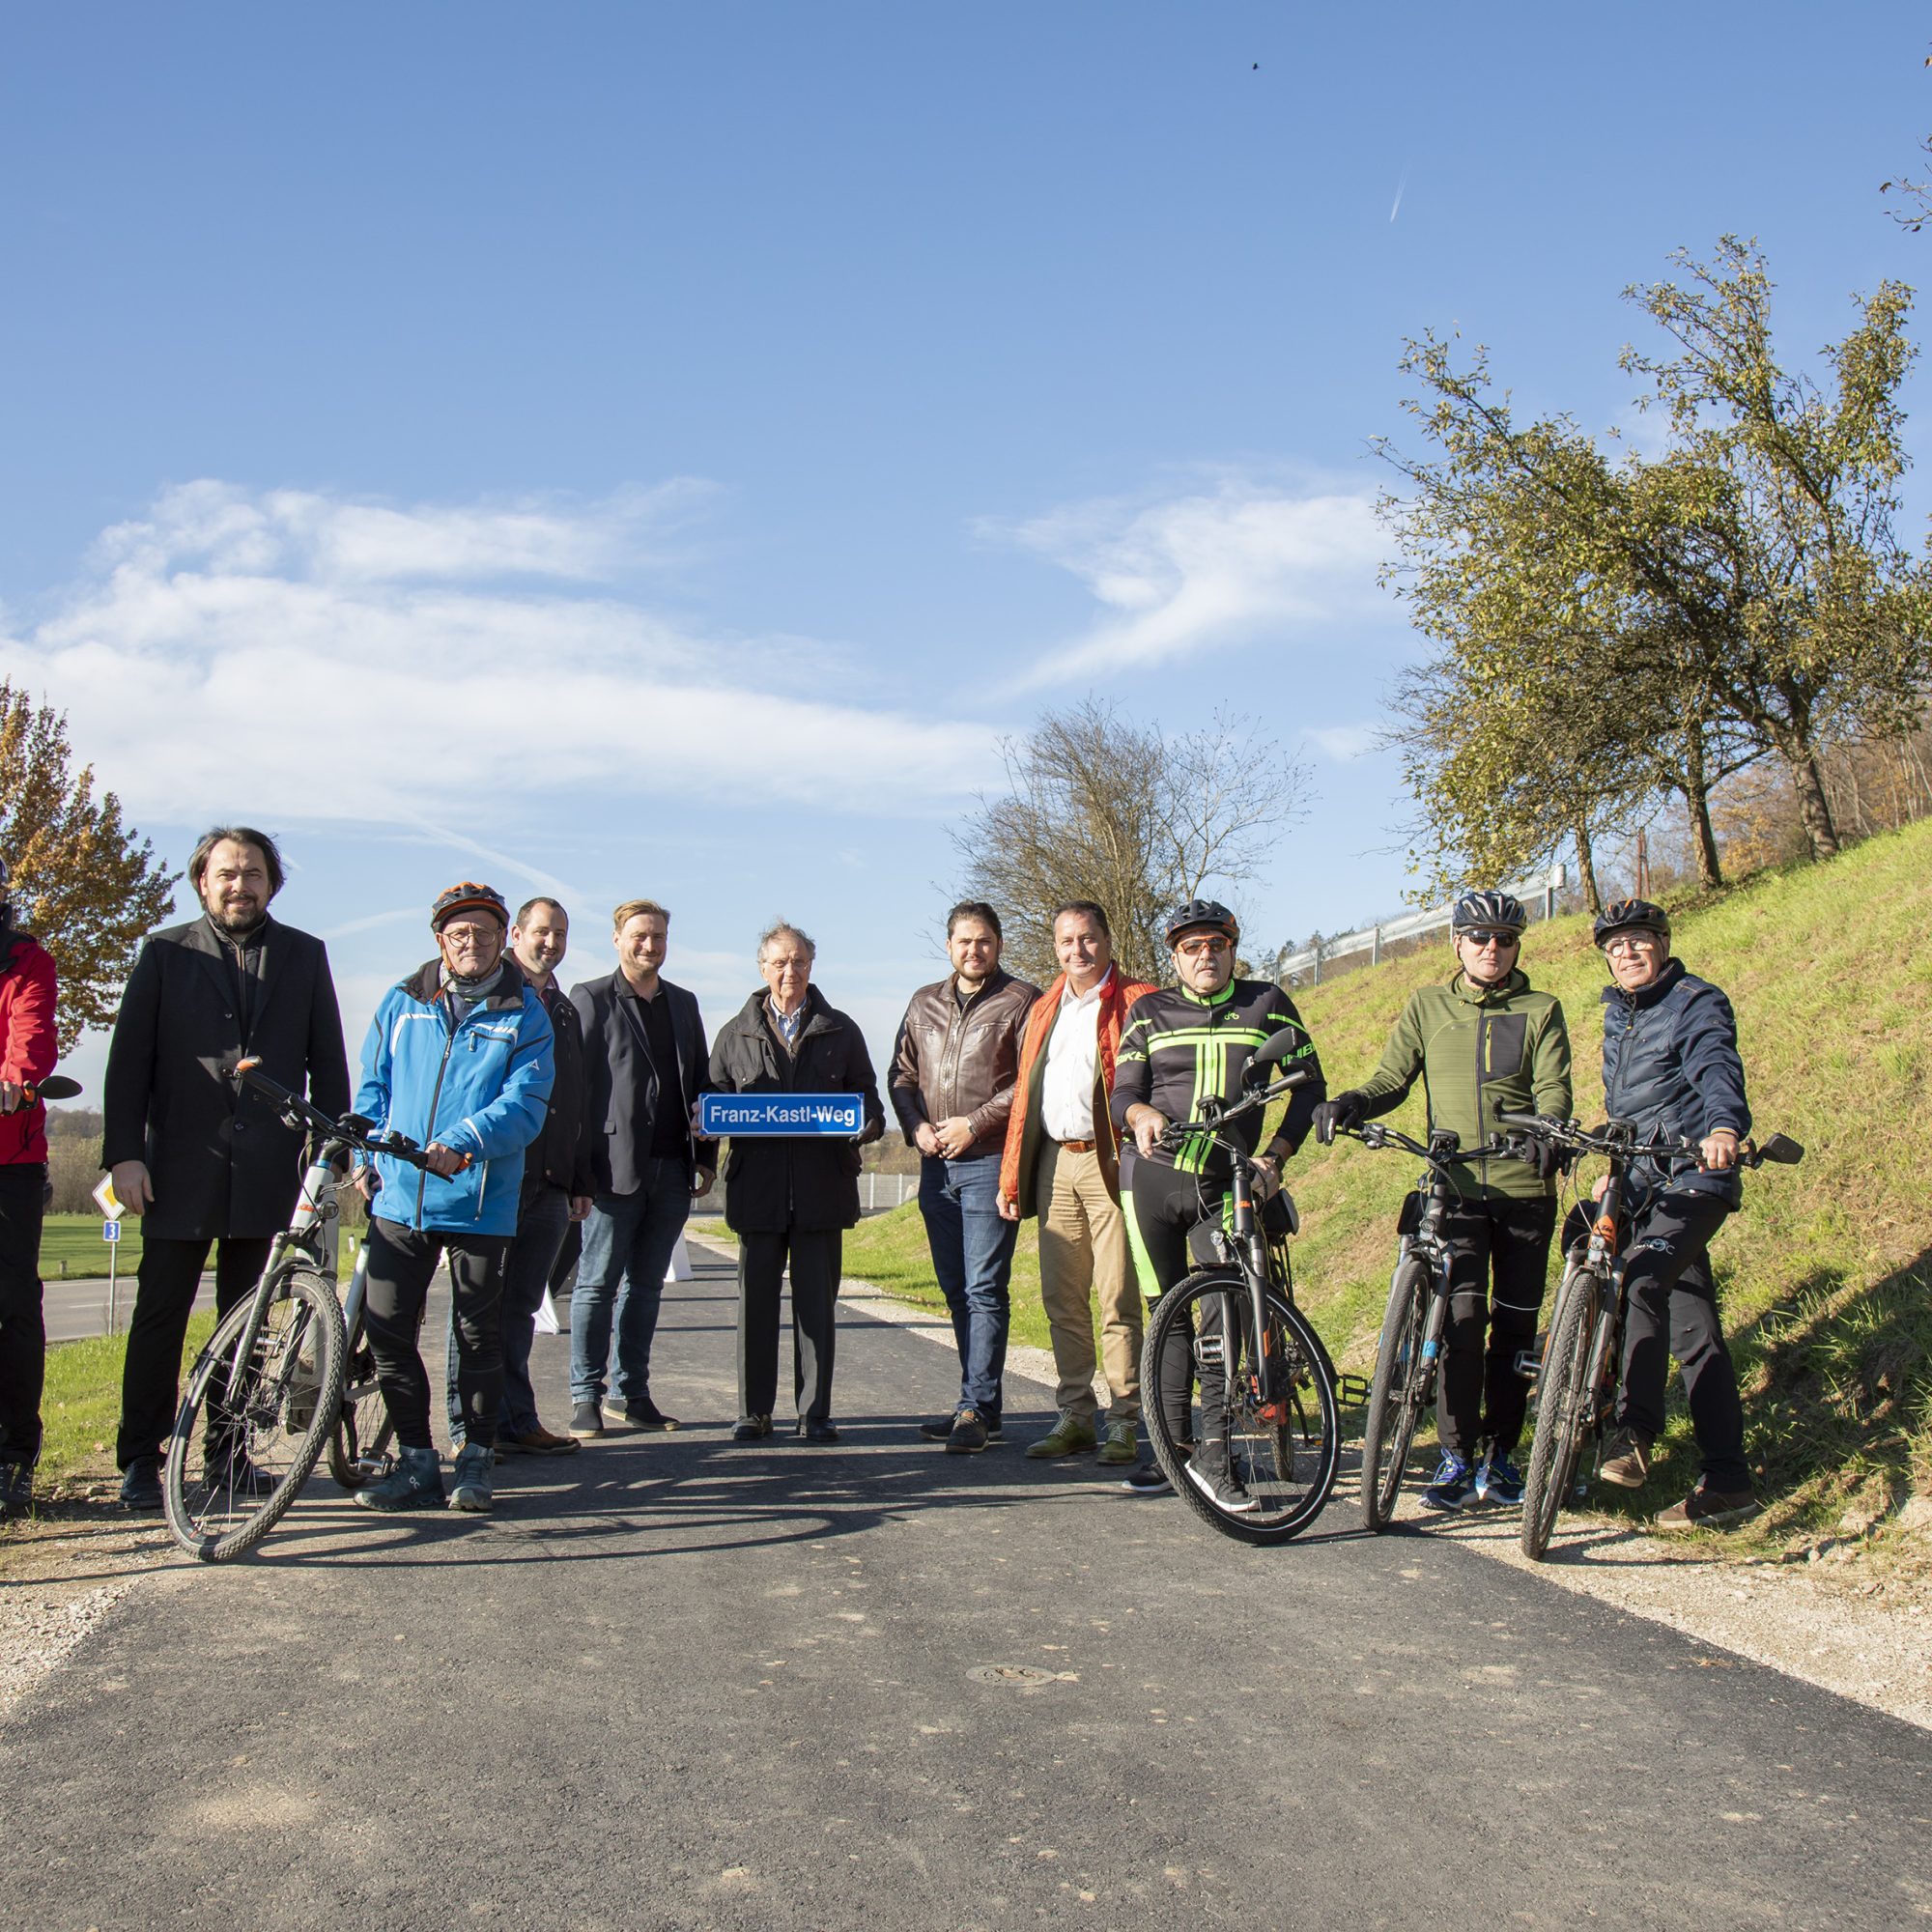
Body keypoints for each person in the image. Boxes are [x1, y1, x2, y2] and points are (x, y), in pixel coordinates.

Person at [102, 827, 350, 1511]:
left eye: (253, 874)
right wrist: (124, 1154)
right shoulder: (163, 954)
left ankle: (227, 1455)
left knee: (246, 1324)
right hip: (177, 1168)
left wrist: (331, 1156)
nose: (239, 886)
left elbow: (327, 1062)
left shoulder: (305, 956)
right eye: (226, 874)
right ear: (202, 882)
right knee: (160, 1317)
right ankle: (139, 1460)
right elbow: (128, 1065)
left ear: (272, 883)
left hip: (270, 1170)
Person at [1313, 890, 1572, 1511]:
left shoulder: (1541, 1008)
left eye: (1505, 939)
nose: (1492, 948)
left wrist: (1547, 1131)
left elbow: (1555, 1089)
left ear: (1516, 947)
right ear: (1455, 942)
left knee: (1515, 1328)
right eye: (1479, 937)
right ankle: (1455, 1456)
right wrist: (1352, 1101)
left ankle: (1501, 1455)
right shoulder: (1429, 1006)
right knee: (1459, 1324)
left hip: (1523, 1189)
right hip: (1455, 1186)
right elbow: (1391, 1079)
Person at [1110, 899, 1325, 1507]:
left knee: (1219, 1316)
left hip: (1227, 1182)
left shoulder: (1268, 1004)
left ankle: (1214, 1452)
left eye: (1216, 945)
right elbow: (1121, 1090)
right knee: (1165, 1315)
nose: (1205, 956)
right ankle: (1171, 1449)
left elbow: (1311, 1087)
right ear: (1175, 956)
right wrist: (1140, 1111)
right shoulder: (1148, 1011)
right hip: (1150, 1178)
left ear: (1233, 948)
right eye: (1191, 947)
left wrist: (1276, 1157)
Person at [350, 883, 554, 1515]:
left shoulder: (525, 1013)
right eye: (459, 933)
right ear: (440, 940)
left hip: (478, 1199)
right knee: (385, 1330)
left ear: (503, 940)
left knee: (477, 1335)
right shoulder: (400, 1002)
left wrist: (464, 1141)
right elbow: (372, 1090)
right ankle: (416, 1460)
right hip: (401, 1198)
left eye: (485, 933)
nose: (472, 943)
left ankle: (474, 1459)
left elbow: (525, 1105)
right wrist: (365, 1154)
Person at [1588, 898, 1759, 1530]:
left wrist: (1722, 1127)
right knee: (1694, 1331)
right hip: (1637, 1184)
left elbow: (1715, 1067)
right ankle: (1728, 1482)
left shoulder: (1694, 1001)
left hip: (1691, 1177)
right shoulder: (1620, 1015)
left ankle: (1633, 1431)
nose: (1626, 953)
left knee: (1643, 1276)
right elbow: (1630, 1102)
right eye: (1615, 947)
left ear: (1661, 942)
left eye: (1637, 941)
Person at [706, 923, 884, 1442]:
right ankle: (753, 1411)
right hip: (756, 1191)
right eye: (780, 962)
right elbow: (710, 1098)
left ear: (812, 967)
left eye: (800, 962)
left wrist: (868, 1123)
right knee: (754, 1306)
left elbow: (869, 1099)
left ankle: (815, 1413)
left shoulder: (841, 1030)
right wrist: (704, 1122)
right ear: (763, 969)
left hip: (822, 1189)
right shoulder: (733, 1033)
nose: (790, 971)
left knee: (816, 1309)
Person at [997, 901, 1156, 1468]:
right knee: (1061, 1298)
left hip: (1111, 1162)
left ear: (1108, 940)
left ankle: (1125, 1420)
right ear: (1055, 948)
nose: (1077, 951)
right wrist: (1013, 1173)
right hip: (1055, 1165)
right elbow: (1025, 1098)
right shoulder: (1044, 1008)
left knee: (1116, 1296)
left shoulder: (1141, 1001)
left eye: (1087, 939)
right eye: (1066, 942)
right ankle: (1074, 1416)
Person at [443, 896, 593, 1458]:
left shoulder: (565, 1008)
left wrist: (580, 1179)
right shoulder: (490, 997)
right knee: (477, 1307)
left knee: (524, 1307)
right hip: (492, 1179)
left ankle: (515, 1419)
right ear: (515, 937)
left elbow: (575, 1099)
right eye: (539, 932)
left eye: (558, 933)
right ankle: (467, 1431)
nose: (549, 942)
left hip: (550, 1183)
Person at [890, 901, 1038, 1454]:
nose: (973, 950)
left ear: (998, 945)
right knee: (956, 1289)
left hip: (989, 1162)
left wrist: (972, 1125)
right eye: (963, 941)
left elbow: (1029, 1082)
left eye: (984, 941)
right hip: (935, 1166)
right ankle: (979, 1406)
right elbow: (901, 1075)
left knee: (983, 1288)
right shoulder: (922, 1002)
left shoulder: (1021, 1000)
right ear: (948, 945)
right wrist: (917, 1128)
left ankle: (975, 1407)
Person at [567, 899, 714, 1438]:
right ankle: (586, 1395)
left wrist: (703, 1157)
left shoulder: (684, 1003)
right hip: (610, 1171)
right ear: (617, 939)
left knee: (647, 1286)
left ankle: (633, 1393)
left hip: (672, 1168)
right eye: (639, 936)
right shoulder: (590, 998)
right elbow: (576, 1090)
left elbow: (700, 1083)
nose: (649, 945)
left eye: (658, 936)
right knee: (596, 1285)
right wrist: (578, 1175)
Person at [0, 858, 57, 1515]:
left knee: (11, 1301)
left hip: (8, 1160)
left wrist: (16, 1079)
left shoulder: (26, 962)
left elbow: (32, 1035)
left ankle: (15, 1452)